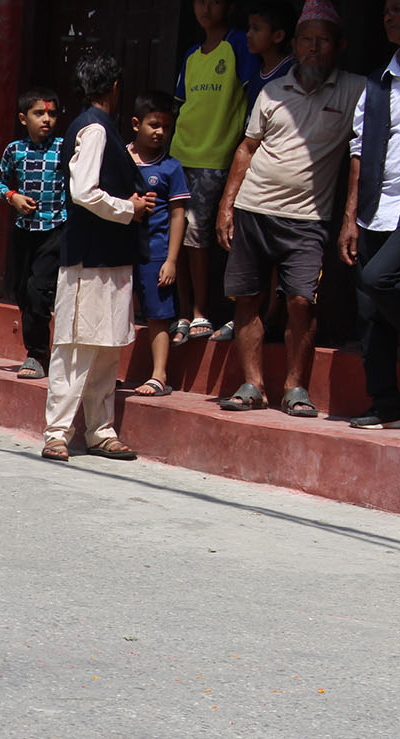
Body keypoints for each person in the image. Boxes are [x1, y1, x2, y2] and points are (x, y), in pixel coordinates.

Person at [214, 3, 363, 418]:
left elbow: (368, 145)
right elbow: (247, 148)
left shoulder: (356, 90)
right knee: (247, 298)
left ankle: (296, 388)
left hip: (307, 220)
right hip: (253, 209)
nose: (313, 49)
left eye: (323, 41)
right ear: (294, 45)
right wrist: (227, 205)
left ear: (339, 46)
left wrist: (351, 215)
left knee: (301, 301)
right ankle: (252, 385)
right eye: (306, 41)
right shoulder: (272, 90)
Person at [40, 52, 152, 464]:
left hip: (109, 255)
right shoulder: (95, 129)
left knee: (106, 345)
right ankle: (57, 433)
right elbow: (84, 191)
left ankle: (99, 430)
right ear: (115, 87)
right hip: (89, 255)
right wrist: (130, 209)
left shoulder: (97, 127)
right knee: (75, 346)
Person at [171, 0, 258, 342]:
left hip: (216, 157)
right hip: (181, 155)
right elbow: (182, 106)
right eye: (199, 1)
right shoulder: (192, 53)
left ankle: (200, 310)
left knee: (199, 238)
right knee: (179, 234)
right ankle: (183, 309)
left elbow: (253, 99)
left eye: (214, 1)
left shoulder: (238, 44)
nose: (205, 8)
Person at [338, 0, 400, 429]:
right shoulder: (378, 83)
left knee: (378, 279)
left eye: (398, 9)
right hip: (377, 210)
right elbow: (358, 150)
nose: (389, 17)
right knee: (370, 311)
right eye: (386, 11)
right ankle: (386, 405)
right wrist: (350, 216)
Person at [0, 86, 64, 382]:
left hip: (56, 227)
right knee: (23, 290)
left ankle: (37, 353)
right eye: (39, 113)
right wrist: (13, 197)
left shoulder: (63, 147)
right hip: (25, 230)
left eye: (52, 113)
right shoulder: (14, 150)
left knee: (38, 290)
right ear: (24, 118)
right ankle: (39, 343)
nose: (46, 119)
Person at [127, 91, 189, 398]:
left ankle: (159, 374)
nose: (160, 132)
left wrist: (172, 260)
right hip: (122, 250)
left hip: (156, 250)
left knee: (157, 313)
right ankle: (108, 371)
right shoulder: (120, 159)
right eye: (153, 124)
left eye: (166, 126)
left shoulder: (171, 168)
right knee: (117, 311)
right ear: (136, 124)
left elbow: (178, 216)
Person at [246, 1, 296, 109]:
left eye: (256, 29)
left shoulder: (292, 72)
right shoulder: (256, 74)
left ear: (278, 36)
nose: (248, 34)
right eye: (249, 28)